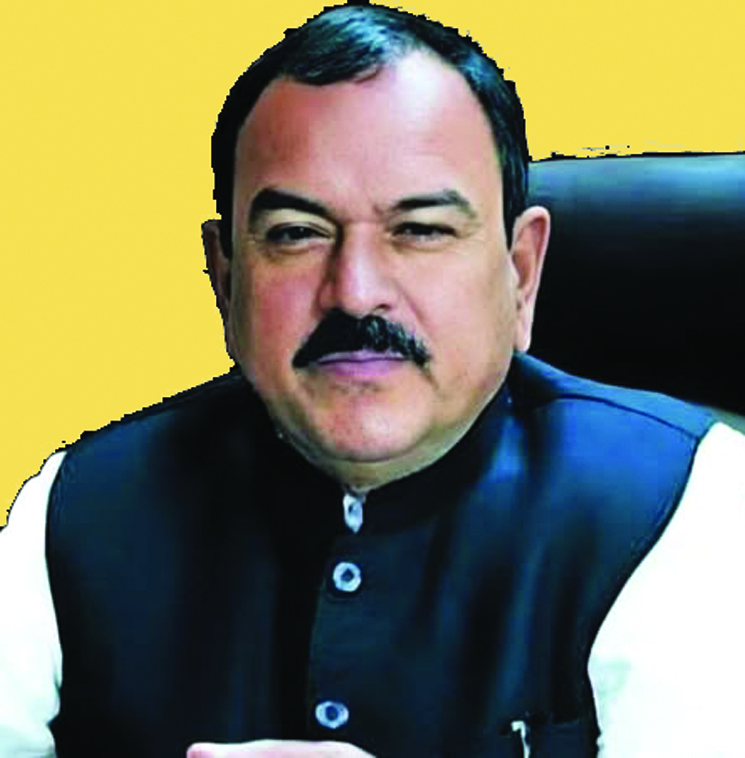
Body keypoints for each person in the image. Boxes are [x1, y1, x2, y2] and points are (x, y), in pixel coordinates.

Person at [1, 4, 744, 757]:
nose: (355, 293)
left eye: (420, 230)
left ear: (520, 273)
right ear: (225, 276)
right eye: (296, 234)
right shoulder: (72, 510)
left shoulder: (685, 504)